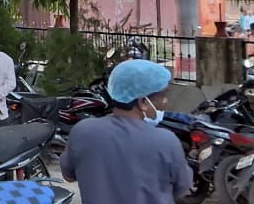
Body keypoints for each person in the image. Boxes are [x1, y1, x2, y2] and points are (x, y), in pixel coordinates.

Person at [61, 59, 191, 203]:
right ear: (143, 102)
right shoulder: (166, 141)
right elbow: (181, 189)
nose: (166, 102)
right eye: (163, 96)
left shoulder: (82, 131)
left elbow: (68, 175)